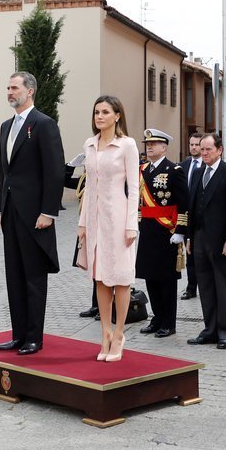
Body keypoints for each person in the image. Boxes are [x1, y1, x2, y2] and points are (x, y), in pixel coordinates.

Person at [0, 72, 64, 356]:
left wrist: (48, 211)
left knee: (34, 277)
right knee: (14, 275)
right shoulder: (5, 126)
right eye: (8, 88)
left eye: (15, 88)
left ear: (30, 91)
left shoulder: (44, 124)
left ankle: (34, 337)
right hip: (11, 212)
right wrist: (1, 207)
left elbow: (55, 170)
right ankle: (18, 334)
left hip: (36, 214)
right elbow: (5, 171)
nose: (10, 92)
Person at [77, 96, 140, 362]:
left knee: (120, 277)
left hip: (118, 216)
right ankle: (104, 333)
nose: (99, 116)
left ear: (117, 115)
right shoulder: (89, 145)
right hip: (94, 218)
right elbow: (89, 186)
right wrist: (82, 222)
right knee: (100, 276)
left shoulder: (127, 145)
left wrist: (131, 225)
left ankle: (119, 334)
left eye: (105, 112)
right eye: (96, 112)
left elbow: (134, 187)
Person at [186, 132, 226, 350]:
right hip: (200, 237)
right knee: (206, 285)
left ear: (219, 150)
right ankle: (210, 329)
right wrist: (190, 237)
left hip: (221, 240)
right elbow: (192, 206)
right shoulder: (199, 172)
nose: (204, 153)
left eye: (208, 149)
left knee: (223, 285)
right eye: (202, 149)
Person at [135, 128, 189, 338]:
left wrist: (181, 231)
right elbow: (140, 202)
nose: (149, 147)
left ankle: (169, 322)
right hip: (148, 230)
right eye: (147, 144)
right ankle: (156, 318)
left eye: (154, 144)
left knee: (166, 280)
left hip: (167, 231)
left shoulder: (174, 170)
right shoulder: (143, 170)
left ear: (164, 147)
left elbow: (184, 203)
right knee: (150, 277)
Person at [64, 153, 98, 318]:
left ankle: (105, 305)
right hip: (88, 228)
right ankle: (96, 305)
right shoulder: (85, 181)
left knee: (104, 268)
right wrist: (71, 165)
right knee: (94, 267)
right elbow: (62, 180)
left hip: (102, 228)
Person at [180, 133, 203, 300]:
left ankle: (206, 286)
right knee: (189, 255)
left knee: (202, 253)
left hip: (202, 217)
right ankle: (190, 288)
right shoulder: (184, 165)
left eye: (197, 145)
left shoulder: (208, 165)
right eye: (191, 144)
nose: (194, 147)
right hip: (187, 217)